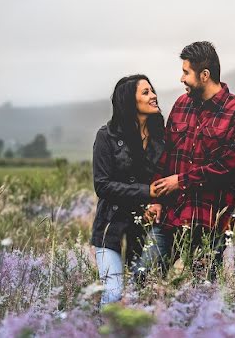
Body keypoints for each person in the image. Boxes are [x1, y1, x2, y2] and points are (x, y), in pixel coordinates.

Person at [137, 41, 235, 282]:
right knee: (143, 280)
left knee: (202, 295)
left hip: (209, 223)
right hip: (171, 215)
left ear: (204, 75)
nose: (181, 79)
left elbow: (228, 167)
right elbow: (166, 157)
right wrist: (156, 200)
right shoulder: (181, 105)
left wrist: (181, 181)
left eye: (186, 72)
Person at [91, 74, 165, 305]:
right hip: (110, 228)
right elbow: (102, 185)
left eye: (152, 91)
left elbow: (163, 177)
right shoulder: (106, 136)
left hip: (144, 230)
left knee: (141, 295)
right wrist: (147, 193)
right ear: (129, 101)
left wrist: (155, 203)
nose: (153, 96)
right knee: (113, 293)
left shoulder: (161, 137)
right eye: (146, 92)